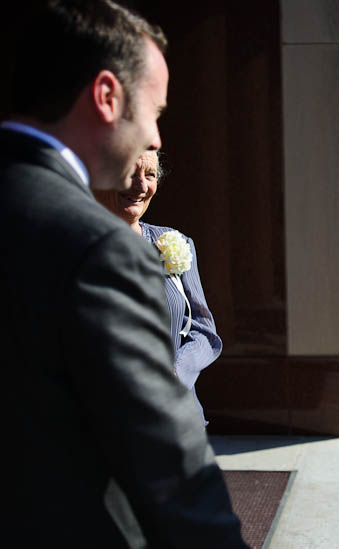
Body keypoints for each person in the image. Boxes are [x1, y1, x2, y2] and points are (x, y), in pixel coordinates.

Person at [0, 1, 245, 546]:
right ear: (107, 97)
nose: (154, 138)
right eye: (153, 112)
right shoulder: (98, 248)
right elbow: (170, 470)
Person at [94, 150, 222, 426]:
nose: (141, 186)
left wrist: (176, 371)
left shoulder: (176, 244)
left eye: (149, 174)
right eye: (131, 173)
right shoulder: (79, 248)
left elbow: (204, 331)